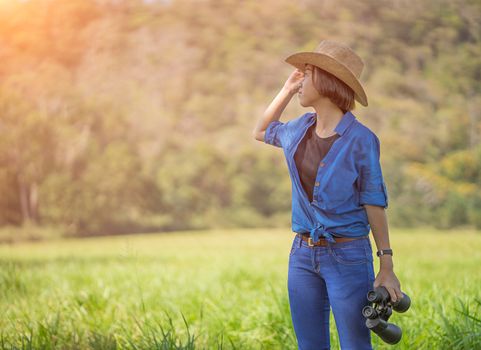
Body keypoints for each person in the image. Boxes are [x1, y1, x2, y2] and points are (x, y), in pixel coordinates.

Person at [252, 40, 404, 350]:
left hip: (347, 256)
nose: (299, 83)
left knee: (355, 345)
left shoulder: (361, 140)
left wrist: (386, 265)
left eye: (305, 75)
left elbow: (373, 200)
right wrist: (285, 89)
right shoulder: (297, 130)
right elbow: (261, 131)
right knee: (309, 346)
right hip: (302, 255)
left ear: (325, 80)